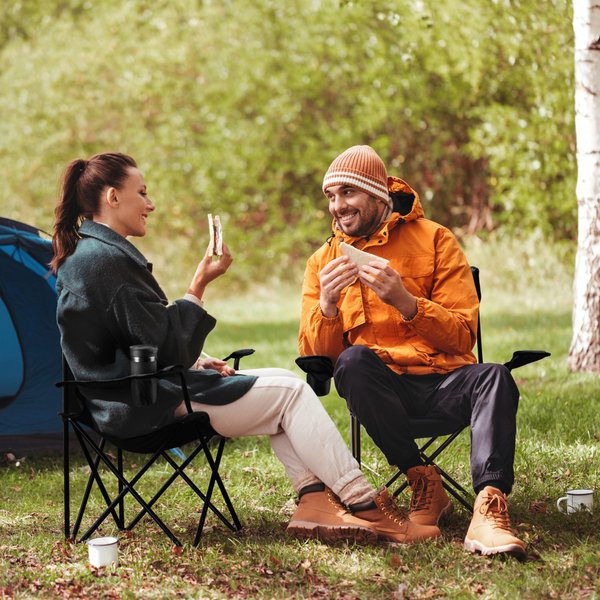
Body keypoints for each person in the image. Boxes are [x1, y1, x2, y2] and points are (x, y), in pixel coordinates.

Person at [51, 151, 441, 546]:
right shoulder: (106, 261)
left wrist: (196, 362)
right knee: (290, 394)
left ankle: (314, 501)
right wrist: (198, 286)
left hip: (129, 395)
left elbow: (134, 341)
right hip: (144, 405)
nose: (150, 204)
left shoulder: (92, 254)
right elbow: (163, 345)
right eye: (142, 193)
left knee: (284, 384)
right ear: (113, 197)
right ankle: (366, 506)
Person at [298, 145, 526, 557]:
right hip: (383, 396)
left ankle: (489, 510)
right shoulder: (323, 262)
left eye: (347, 192)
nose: (337, 206)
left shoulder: (436, 239)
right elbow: (321, 365)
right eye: (330, 196)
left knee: (495, 376)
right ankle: (421, 478)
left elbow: (462, 335)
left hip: (445, 384)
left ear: (377, 193)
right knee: (352, 361)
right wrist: (327, 307)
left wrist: (406, 302)